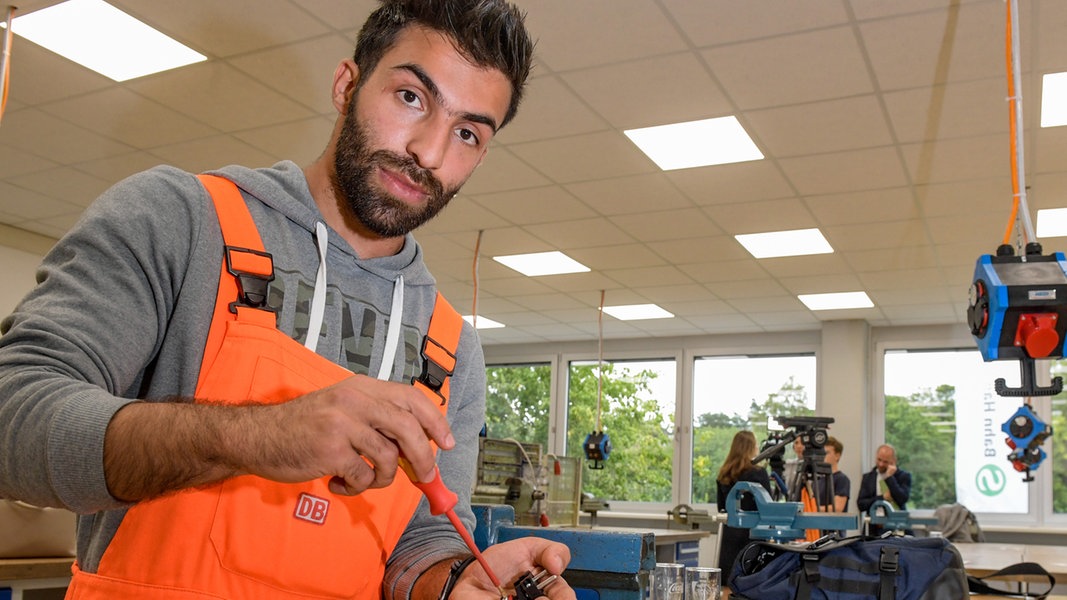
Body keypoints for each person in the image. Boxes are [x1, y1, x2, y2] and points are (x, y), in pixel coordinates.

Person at [0, 2, 576, 599]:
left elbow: (420, 542)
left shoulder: (452, 347)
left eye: (466, 133)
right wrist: (260, 434)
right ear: (347, 84)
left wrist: (453, 581)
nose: (429, 152)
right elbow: (11, 415)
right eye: (411, 97)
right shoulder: (179, 220)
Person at [715, 431, 772, 578]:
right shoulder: (758, 473)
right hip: (753, 534)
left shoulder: (724, 474)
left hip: (730, 532)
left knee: (728, 582)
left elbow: (721, 507)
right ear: (751, 447)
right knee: (751, 581)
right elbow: (768, 507)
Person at [857, 444, 912, 536]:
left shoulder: (904, 476)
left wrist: (889, 478)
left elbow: (902, 499)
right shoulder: (868, 477)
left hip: (897, 526)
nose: (881, 464)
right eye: (879, 460)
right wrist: (882, 498)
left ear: (893, 461)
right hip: (873, 527)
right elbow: (861, 505)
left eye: (885, 462)